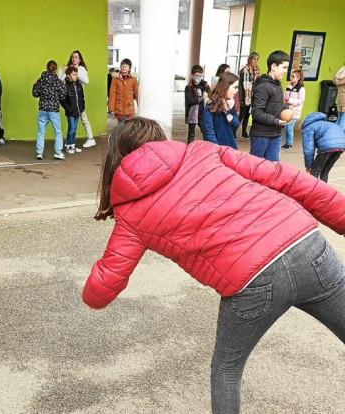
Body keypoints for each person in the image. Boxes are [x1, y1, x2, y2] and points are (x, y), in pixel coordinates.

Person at [82, 116, 345, 414]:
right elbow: (284, 177)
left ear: (116, 157)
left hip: (251, 281)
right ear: (159, 138)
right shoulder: (202, 151)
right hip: (307, 244)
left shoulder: (129, 209)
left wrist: (90, 298)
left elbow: (108, 278)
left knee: (227, 370)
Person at [249, 50, 290, 161]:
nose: (285, 71)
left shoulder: (278, 85)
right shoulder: (263, 86)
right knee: (254, 166)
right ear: (273, 66)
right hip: (261, 135)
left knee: (273, 167)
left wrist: (286, 111)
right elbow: (257, 112)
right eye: (284, 67)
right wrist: (275, 121)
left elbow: (275, 106)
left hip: (275, 134)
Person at [59, 50, 96, 148]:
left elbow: (86, 81)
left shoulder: (82, 69)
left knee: (84, 119)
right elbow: (61, 80)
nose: (74, 59)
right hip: (69, 99)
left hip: (78, 99)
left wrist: (76, 71)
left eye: (76, 57)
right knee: (72, 124)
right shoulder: (68, 69)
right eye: (72, 57)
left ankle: (90, 139)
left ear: (80, 59)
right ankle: (70, 142)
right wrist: (62, 70)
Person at [32, 60, 67, 160]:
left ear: (46, 68)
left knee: (41, 132)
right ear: (55, 70)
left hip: (42, 109)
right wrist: (63, 85)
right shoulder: (57, 81)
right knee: (58, 132)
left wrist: (35, 85)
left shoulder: (41, 80)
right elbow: (63, 95)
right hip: (54, 110)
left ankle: (39, 152)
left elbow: (35, 94)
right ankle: (58, 152)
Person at [301, 112, 345, 182]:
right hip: (342, 145)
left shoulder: (307, 128)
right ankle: (323, 191)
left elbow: (308, 150)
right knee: (325, 171)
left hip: (328, 145)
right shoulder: (325, 124)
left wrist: (308, 166)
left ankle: (311, 191)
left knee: (315, 171)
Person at [202, 72, 240, 149]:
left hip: (230, 149)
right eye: (235, 87)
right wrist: (218, 149)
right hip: (216, 150)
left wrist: (232, 119)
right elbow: (209, 132)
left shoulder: (230, 104)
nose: (237, 90)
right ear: (225, 86)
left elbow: (236, 124)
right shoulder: (211, 106)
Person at [60, 66, 84, 154]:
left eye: (76, 74)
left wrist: (82, 108)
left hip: (77, 111)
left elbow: (81, 97)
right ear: (68, 75)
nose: (75, 76)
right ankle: (70, 145)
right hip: (70, 111)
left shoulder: (78, 85)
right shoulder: (65, 85)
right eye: (74, 74)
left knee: (74, 128)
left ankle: (71, 144)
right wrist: (68, 108)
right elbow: (62, 100)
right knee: (71, 128)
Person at [185, 64, 210, 144]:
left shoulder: (204, 85)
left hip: (202, 112)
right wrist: (201, 97)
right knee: (191, 133)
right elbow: (190, 100)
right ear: (192, 75)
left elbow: (210, 94)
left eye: (200, 75)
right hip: (192, 113)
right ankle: (189, 148)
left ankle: (207, 146)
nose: (198, 77)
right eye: (196, 75)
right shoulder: (189, 87)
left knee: (205, 130)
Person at [108, 58, 139, 124]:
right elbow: (112, 93)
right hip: (119, 108)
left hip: (129, 108)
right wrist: (111, 108)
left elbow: (136, 93)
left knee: (129, 127)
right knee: (121, 127)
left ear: (130, 68)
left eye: (126, 66)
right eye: (122, 65)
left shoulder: (133, 79)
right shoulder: (115, 79)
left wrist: (139, 103)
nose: (124, 67)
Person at [282, 69, 306, 150]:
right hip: (287, 110)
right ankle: (286, 143)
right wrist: (284, 102)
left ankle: (289, 143)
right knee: (286, 127)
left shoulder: (301, 89)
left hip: (295, 111)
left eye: (293, 76)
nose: (291, 78)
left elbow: (301, 100)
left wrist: (290, 101)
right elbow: (285, 96)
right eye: (291, 76)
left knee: (289, 127)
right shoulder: (288, 86)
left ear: (298, 78)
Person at [238, 52, 260, 138]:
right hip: (245, 95)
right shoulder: (244, 70)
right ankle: (232, 131)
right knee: (242, 115)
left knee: (248, 115)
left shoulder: (256, 69)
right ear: (250, 59)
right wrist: (241, 98)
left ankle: (244, 132)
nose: (255, 61)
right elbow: (241, 85)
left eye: (257, 59)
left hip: (252, 96)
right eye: (254, 59)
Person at [333, 63, 345, 131]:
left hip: (341, 99)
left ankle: (334, 135)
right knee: (342, 123)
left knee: (339, 119)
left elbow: (335, 80)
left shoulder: (341, 72)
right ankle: (338, 138)